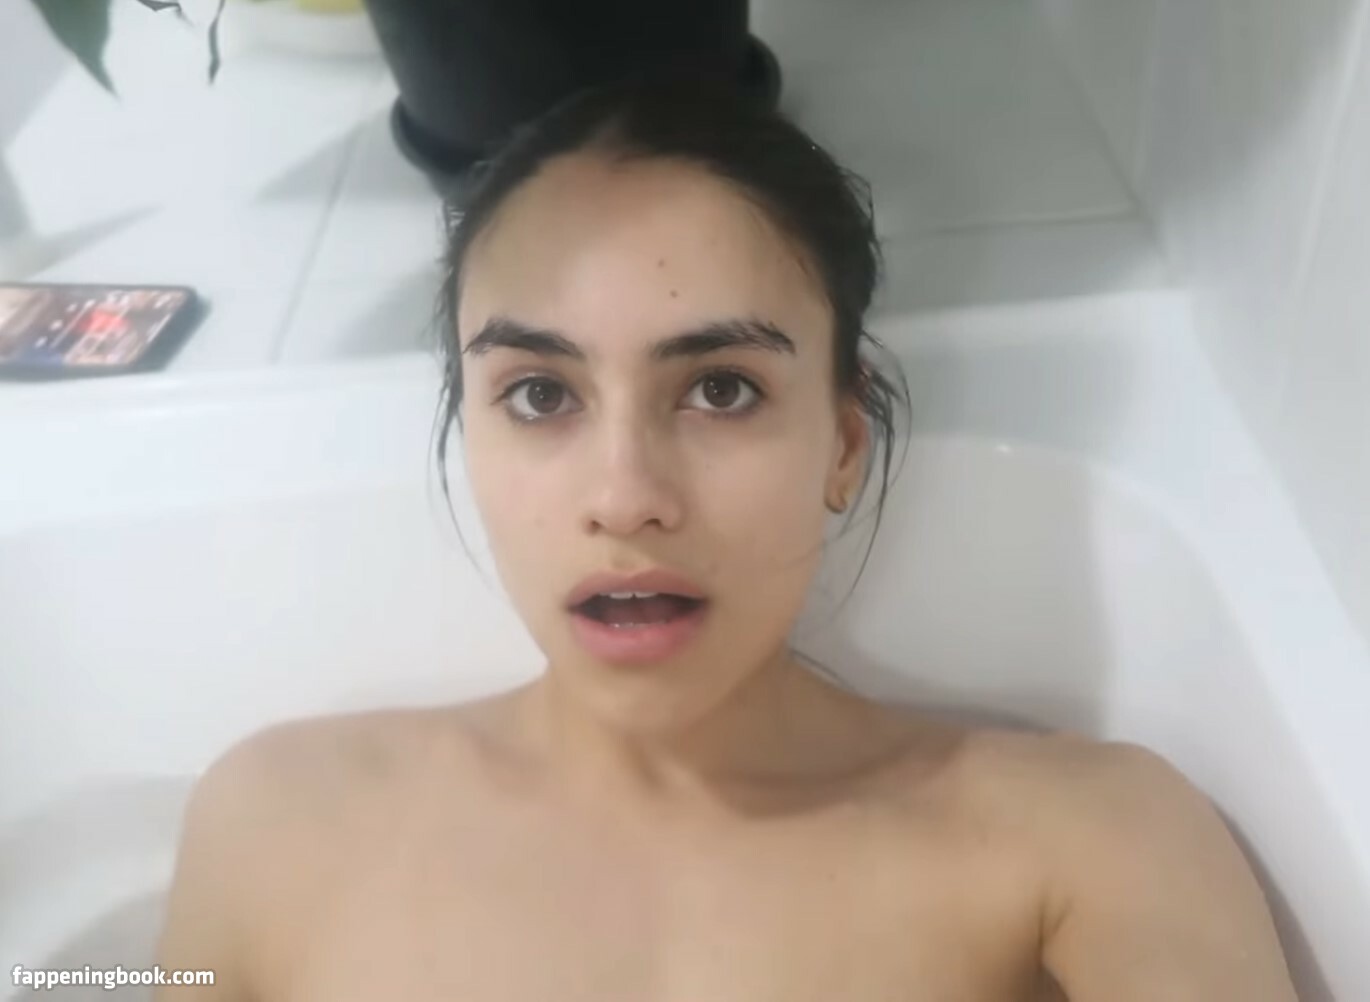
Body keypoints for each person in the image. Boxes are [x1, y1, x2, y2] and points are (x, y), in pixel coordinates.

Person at [153, 76, 1298, 1001]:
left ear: (841, 444)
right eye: (540, 395)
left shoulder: (1086, 844)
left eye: (719, 390)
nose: (624, 497)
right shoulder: (270, 825)